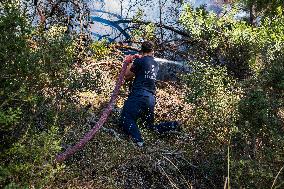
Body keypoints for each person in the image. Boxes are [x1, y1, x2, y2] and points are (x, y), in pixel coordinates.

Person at [120, 41, 179, 147]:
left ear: (141, 51)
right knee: (149, 126)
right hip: (150, 99)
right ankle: (174, 125)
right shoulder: (155, 64)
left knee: (126, 118)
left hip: (138, 95)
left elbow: (127, 75)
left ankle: (138, 141)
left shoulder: (140, 61)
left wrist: (129, 60)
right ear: (153, 51)